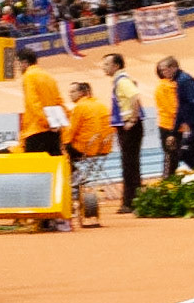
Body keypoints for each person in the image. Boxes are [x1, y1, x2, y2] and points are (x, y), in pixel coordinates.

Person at [101, 53, 144, 212]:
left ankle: (130, 202)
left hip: (130, 127)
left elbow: (135, 97)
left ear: (116, 66)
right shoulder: (120, 81)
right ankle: (132, 200)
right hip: (128, 126)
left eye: (106, 64)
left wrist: (132, 119)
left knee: (129, 164)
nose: (103, 67)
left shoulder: (122, 81)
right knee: (130, 164)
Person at [17, 46, 66, 157]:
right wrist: (57, 123)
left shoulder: (28, 77)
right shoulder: (48, 76)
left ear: (24, 62)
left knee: (34, 170)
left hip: (37, 130)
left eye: (18, 63)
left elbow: (33, 103)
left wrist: (47, 122)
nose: (18, 67)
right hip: (54, 130)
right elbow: (59, 101)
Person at [61, 81, 113, 167]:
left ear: (81, 93)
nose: (70, 94)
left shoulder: (80, 107)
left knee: (60, 147)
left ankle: (71, 173)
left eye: (73, 92)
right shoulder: (101, 105)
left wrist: (62, 142)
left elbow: (71, 131)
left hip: (85, 149)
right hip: (104, 148)